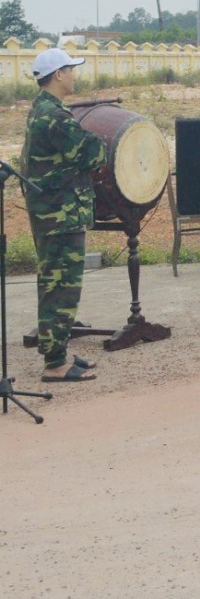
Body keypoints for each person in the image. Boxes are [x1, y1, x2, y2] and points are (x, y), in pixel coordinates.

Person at [19, 47, 102, 383]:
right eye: (70, 69)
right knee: (61, 287)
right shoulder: (52, 117)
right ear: (58, 75)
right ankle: (55, 364)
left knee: (56, 284)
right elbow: (94, 153)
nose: (74, 75)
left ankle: (59, 351)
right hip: (60, 216)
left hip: (54, 213)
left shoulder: (43, 110)